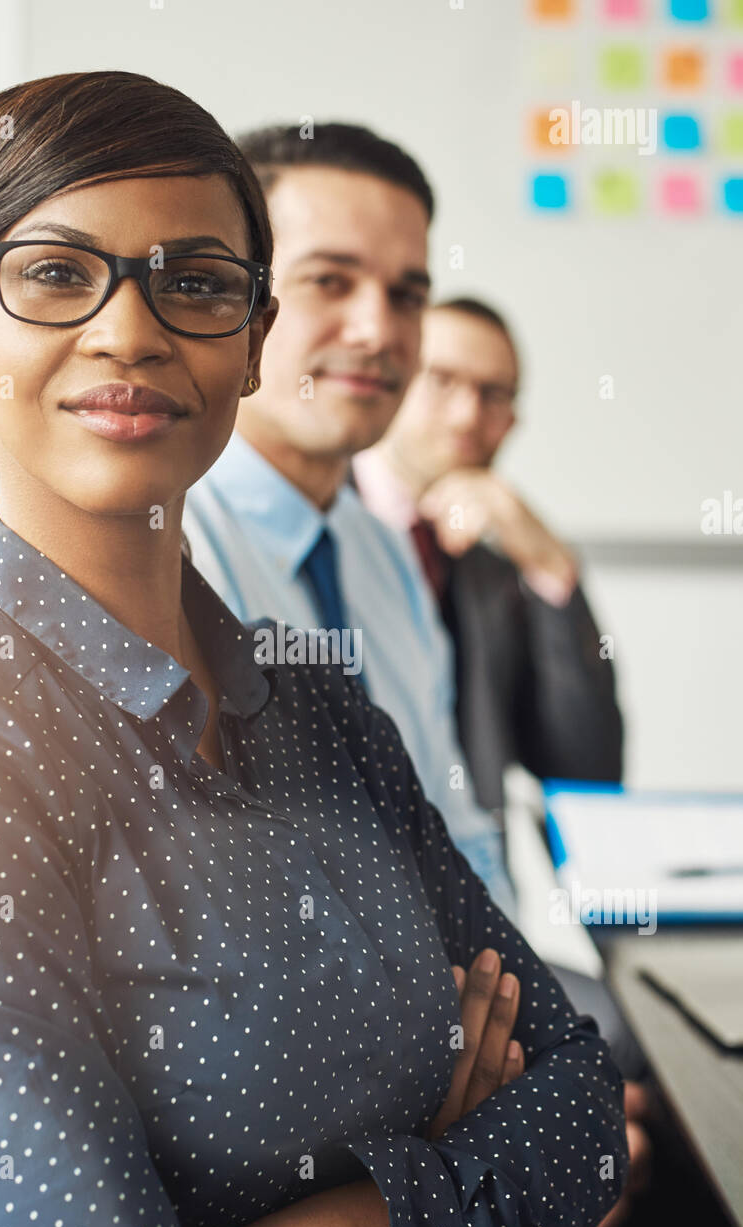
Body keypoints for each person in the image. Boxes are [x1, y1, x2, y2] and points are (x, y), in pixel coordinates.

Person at [0, 71, 628, 1227]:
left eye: (194, 282)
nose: (132, 331)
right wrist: (439, 1168)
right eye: (55, 273)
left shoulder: (317, 705)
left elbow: (576, 1114)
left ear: (250, 346)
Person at [182, 125, 514, 917]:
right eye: (330, 281)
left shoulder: (381, 553)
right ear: (238, 298)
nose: (376, 331)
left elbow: (454, 823)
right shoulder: (167, 541)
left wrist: (512, 994)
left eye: (406, 295)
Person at [353, 297, 624, 818]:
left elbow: (588, 769)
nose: (468, 416)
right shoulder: (317, 520)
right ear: (395, 376)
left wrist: (551, 568)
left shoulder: (495, 568)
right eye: (443, 380)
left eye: (493, 395)